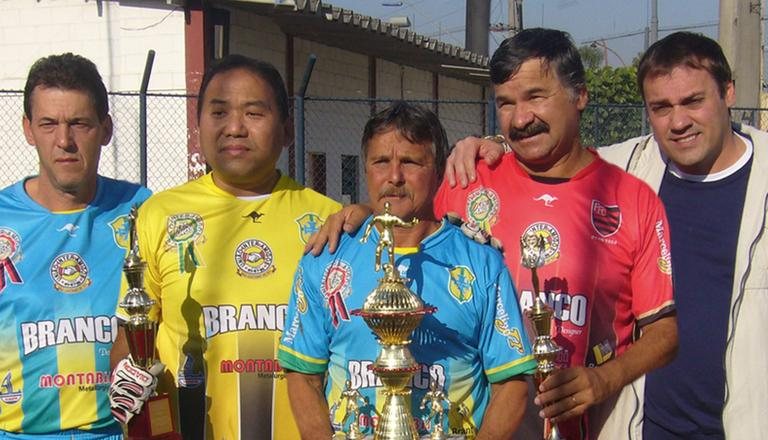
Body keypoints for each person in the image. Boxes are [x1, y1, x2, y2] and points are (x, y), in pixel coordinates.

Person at [308, 29, 678, 440]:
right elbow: (408, 214)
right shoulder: (468, 178)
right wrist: (364, 213)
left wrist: (604, 380)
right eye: (505, 103)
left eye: (536, 96)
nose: (520, 118)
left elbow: (664, 332)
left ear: (580, 95)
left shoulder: (632, 199)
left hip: (588, 426)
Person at [448, 31, 766, 439]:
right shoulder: (627, 168)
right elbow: (552, 158)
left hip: (746, 424)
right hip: (642, 426)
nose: (679, 121)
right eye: (661, 107)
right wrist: (487, 146)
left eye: (693, 101)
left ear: (728, 92)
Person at [108, 54, 341, 439]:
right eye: (218, 113)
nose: (234, 128)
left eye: (253, 113)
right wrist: (125, 379)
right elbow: (131, 335)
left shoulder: (327, 221)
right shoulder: (159, 214)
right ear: (198, 125)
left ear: (287, 130)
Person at [278, 101, 537, 439]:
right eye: (381, 162)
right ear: (366, 168)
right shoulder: (324, 258)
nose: (395, 177)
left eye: (411, 162)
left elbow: (510, 384)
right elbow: (304, 375)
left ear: (439, 172)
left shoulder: (482, 263)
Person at [0, 53, 151, 438]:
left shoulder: (145, 212)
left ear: (106, 129)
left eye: (79, 123)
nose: (64, 141)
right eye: (48, 124)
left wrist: (330, 219)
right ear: (28, 129)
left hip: (119, 434)